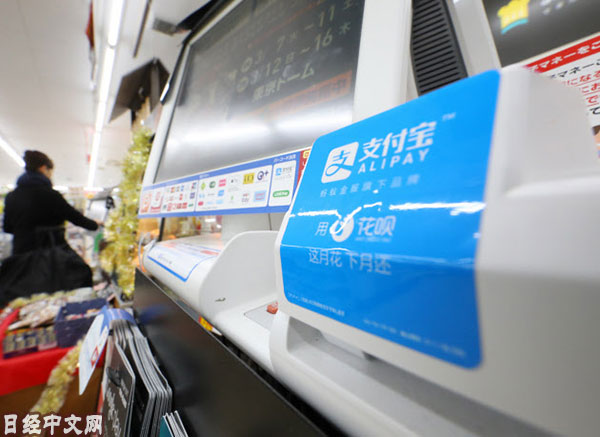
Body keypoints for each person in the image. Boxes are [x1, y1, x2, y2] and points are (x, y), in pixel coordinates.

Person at [0, 150, 100, 304]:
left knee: (24, 301)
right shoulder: (51, 195)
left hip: (21, 260)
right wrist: (95, 224)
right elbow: (77, 218)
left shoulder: (12, 197)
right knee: (74, 286)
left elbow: (7, 227)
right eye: (50, 171)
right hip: (53, 259)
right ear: (43, 168)